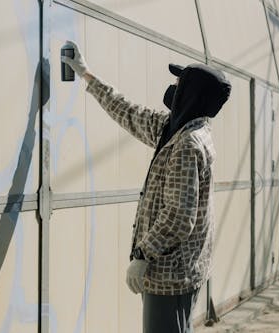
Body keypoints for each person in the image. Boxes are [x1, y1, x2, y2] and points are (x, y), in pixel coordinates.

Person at [61, 40, 231, 333]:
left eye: (180, 83)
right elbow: (128, 112)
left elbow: (179, 216)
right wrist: (86, 74)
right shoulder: (175, 129)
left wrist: (142, 255)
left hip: (171, 273)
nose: (174, 87)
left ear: (192, 94)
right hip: (177, 269)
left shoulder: (187, 145)